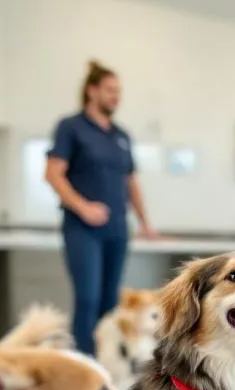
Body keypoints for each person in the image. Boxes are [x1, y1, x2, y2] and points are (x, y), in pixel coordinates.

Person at [46, 60, 156, 355]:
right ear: (91, 91)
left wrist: (145, 223)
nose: (115, 96)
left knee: (110, 300)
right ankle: (83, 361)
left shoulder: (121, 135)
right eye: (109, 90)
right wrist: (83, 207)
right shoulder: (71, 128)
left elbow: (131, 182)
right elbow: (53, 174)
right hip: (83, 229)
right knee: (88, 298)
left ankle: (108, 363)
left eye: (118, 91)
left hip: (117, 228)